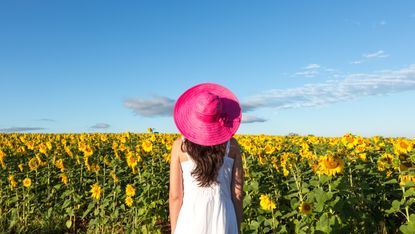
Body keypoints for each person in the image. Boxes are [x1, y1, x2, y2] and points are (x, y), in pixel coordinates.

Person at [169, 83, 244, 234]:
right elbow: (237, 193)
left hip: (190, 218)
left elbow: (176, 196)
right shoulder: (233, 146)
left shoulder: (179, 146)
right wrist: (236, 226)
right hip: (223, 215)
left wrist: (175, 229)